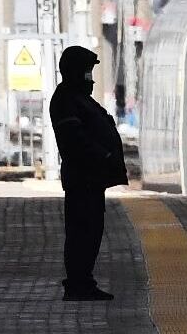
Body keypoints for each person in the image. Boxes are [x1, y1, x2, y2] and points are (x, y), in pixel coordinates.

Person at [50, 46, 128, 301]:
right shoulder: (67, 99)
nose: (91, 79)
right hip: (82, 178)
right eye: (87, 72)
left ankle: (83, 282)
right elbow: (75, 139)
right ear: (75, 72)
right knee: (82, 233)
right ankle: (78, 284)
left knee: (90, 232)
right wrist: (103, 156)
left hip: (90, 179)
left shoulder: (76, 97)